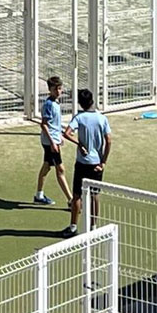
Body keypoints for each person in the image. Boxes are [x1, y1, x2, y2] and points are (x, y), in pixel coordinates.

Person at [61, 88, 112, 238]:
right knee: (95, 195)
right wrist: (103, 162)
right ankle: (94, 227)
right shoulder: (102, 118)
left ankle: (73, 227)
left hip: (82, 163)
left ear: (80, 103)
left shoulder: (79, 118)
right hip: (96, 163)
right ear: (92, 101)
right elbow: (109, 140)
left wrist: (80, 144)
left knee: (77, 195)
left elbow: (67, 133)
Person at [34, 75, 73, 208]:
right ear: (50, 89)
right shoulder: (48, 105)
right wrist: (52, 142)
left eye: (60, 89)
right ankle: (71, 201)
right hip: (49, 143)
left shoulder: (56, 103)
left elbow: (53, 124)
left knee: (46, 167)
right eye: (55, 89)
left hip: (53, 141)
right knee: (60, 169)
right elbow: (44, 124)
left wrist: (59, 136)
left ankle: (39, 195)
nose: (58, 91)